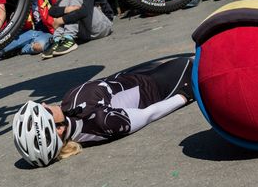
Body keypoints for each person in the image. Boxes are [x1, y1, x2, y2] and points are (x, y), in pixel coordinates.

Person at [12, 56, 194, 167]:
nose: (44, 104)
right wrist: (183, 96)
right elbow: (148, 115)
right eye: (45, 112)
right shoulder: (100, 122)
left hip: (138, 74)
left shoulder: (70, 108)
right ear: (59, 129)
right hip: (161, 84)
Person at [42, 0, 113, 58]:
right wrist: (67, 9)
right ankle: (58, 39)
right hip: (86, 34)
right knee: (64, 2)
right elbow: (52, 11)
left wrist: (61, 20)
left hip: (103, 27)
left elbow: (85, 11)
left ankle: (68, 38)